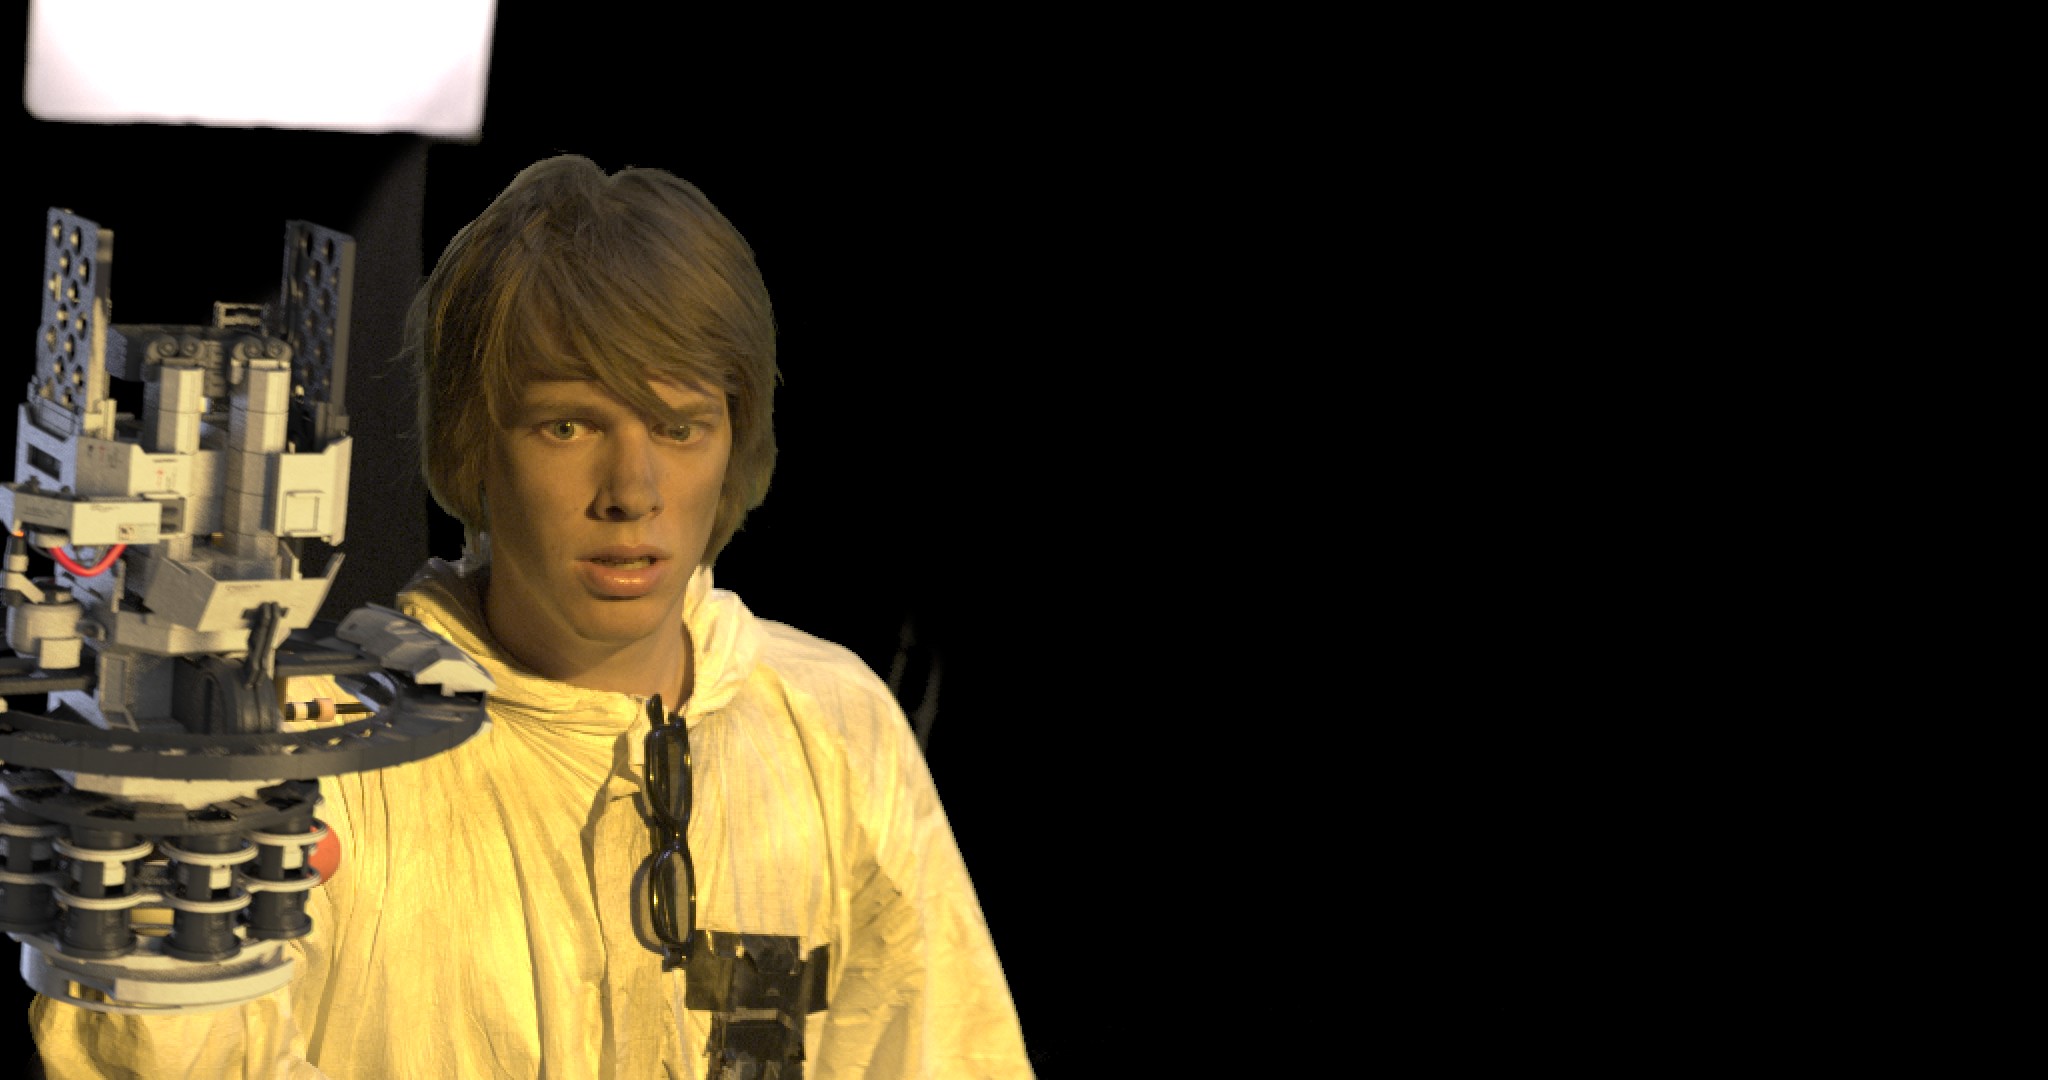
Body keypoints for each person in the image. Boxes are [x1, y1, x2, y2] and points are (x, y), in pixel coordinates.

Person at [31, 154, 1031, 1078]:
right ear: (475, 445)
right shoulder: (319, 761)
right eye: (567, 425)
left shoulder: (832, 725)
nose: (632, 491)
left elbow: (945, 1052)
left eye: (680, 427)